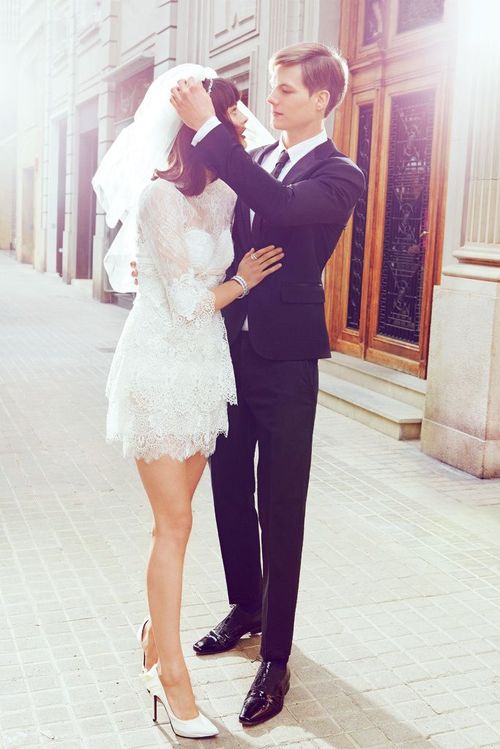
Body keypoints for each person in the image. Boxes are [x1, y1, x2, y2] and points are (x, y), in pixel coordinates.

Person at [167, 43, 365, 726]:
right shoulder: (261, 158)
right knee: (228, 489)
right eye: (272, 87)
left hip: (287, 363)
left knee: (280, 504)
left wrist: (211, 128)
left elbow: (276, 204)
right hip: (233, 353)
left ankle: (275, 655)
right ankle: (245, 606)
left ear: (321, 99)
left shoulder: (339, 174)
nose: (272, 98)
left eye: (286, 89)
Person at [97, 68, 283, 739]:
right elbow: (181, 303)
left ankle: (155, 637)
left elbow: (267, 185)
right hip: (157, 366)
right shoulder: (157, 196)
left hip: (205, 372)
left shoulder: (228, 192)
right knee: (172, 523)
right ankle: (171, 674)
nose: (236, 129)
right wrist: (242, 281)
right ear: (192, 126)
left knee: (182, 523)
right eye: (226, 119)